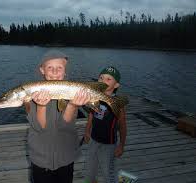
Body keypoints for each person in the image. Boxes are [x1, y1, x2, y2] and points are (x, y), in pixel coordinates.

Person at [25, 50, 91, 183]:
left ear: (65, 71)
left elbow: (64, 125)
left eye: (59, 68)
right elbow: (39, 127)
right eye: (50, 67)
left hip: (66, 157)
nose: (55, 72)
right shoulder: (32, 94)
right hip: (41, 159)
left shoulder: (71, 92)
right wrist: (41, 106)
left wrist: (72, 105)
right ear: (42, 70)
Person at [83, 66, 127, 183]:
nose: (103, 81)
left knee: (108, 172)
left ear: (116, 85)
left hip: (109, 143)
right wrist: (87, 131)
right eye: (101, 78)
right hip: (93, 139)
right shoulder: (94, 97)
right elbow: (91, 115)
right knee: (89, 169)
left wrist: (121, 145)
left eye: (108, 79)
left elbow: (122, 125)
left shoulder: (117, 103)